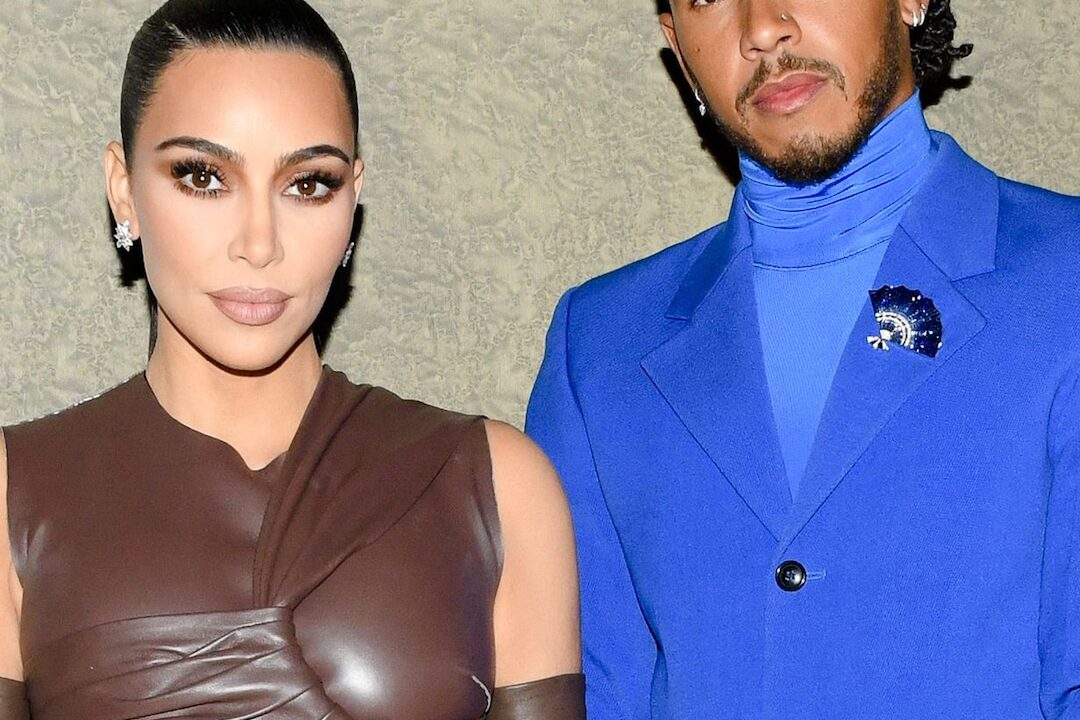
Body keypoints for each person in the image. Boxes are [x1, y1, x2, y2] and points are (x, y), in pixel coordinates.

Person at [0, 1, 585, 718]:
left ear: (353, 199)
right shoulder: (12, 493)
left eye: (308, 184)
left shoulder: (497, 483)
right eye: (203, 177)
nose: (259, 243)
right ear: (124, 189)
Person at [526, 0, 1080, 717]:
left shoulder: (1065, 282)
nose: (762, 27)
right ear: (679, 47)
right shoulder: (599, 345)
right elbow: (592, 689)